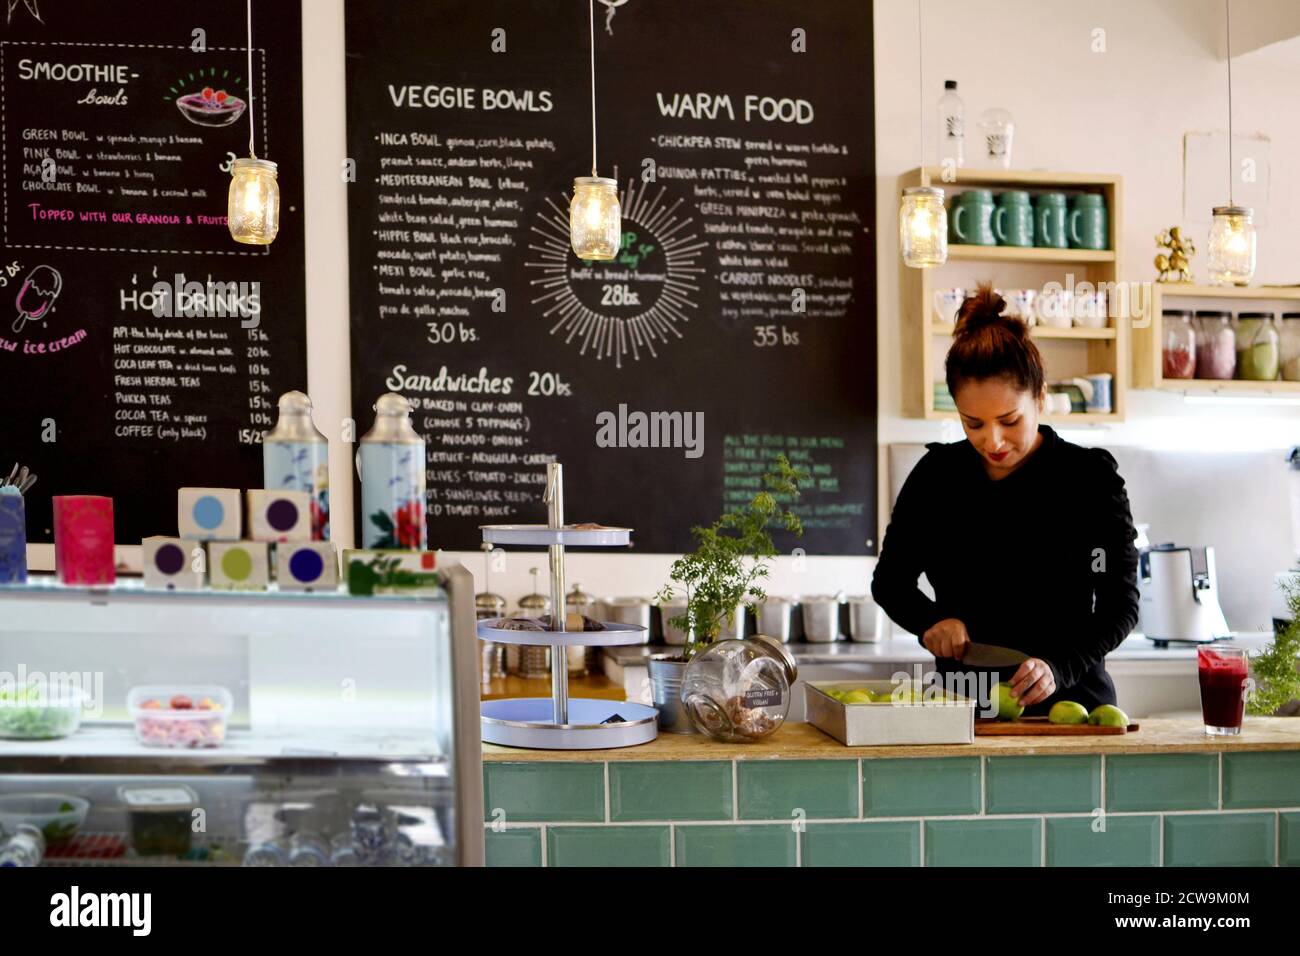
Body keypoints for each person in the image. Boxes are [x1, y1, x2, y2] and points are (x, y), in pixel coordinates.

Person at [871, 285, 1140, 714]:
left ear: (1040, 396)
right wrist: (930, 624)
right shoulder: (937, 477)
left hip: (1070, 708)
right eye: (972, 423)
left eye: (1009, 420)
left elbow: (1119, 604)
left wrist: (1059, 666)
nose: (992, 441)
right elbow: (890, 582)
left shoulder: (1088, 480)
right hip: (966, 710)